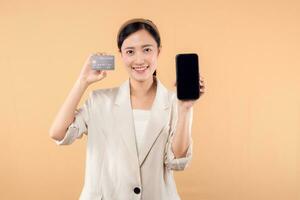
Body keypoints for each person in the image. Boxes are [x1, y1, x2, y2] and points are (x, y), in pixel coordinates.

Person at [49, 18, 206, 200]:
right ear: (121, 54)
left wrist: (185, 109)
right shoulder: (100, 101)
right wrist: (82, 81)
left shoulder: (175, 102)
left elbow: (178, 162)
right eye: (130, 51)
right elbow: (58, 133)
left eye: (147, 50)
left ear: (158, 51)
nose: (139, 60)